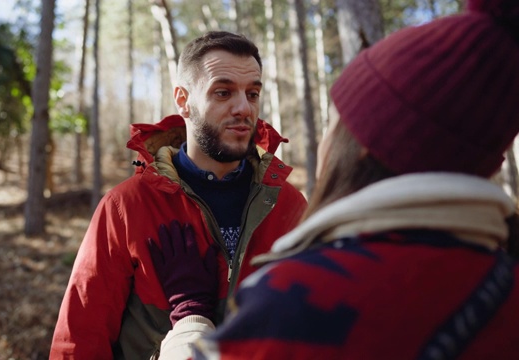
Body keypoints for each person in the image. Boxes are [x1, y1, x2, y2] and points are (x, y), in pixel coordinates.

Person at [150, 1, 519, 358]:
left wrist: (190, 315)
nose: (245, 108)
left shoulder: (297, 305)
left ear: (359, 146)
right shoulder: (504, 285)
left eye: (335, 120)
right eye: (223, 91)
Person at [49, 31, 308, 359]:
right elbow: (79, 340)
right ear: (183, 100)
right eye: (223, 92)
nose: (244, 108)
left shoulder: (289, 205)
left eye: (253, 93)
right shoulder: (126, 207)